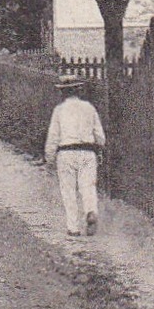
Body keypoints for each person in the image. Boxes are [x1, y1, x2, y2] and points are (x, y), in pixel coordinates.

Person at [45, 74, 106, 237]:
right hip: (87, 152)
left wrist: (49, 157)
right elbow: (100, 136)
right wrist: (98, 147)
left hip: (66, 152)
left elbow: (53, 136)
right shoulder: (89, 108)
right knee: (88, 186)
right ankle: (91, 211)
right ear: (78, 91)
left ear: (63, 93)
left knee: (68, 190)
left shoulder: (59, 111)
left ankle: (73, 227)